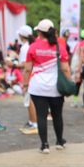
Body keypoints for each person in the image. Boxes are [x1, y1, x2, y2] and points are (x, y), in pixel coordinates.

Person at [22, 19, 71, 153]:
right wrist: (69, 83)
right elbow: (65, 68)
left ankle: (44, 145)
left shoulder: (33, 47)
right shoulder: (59, 47)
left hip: (37, 87)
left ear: (39, 32)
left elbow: (27, 69)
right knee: (57, 115)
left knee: (41, 116)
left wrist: (25, 84)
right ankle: (59, 141)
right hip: (56, 87)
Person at [16, 25, 38, 134]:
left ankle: (34, 123)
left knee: (29, 100)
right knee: (30, 100)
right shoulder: (32, 45)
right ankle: (31, 121)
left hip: (28, 76)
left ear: (21, 35)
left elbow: (26, 66)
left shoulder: (25, 47)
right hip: (34, 75)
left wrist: (13, 64)